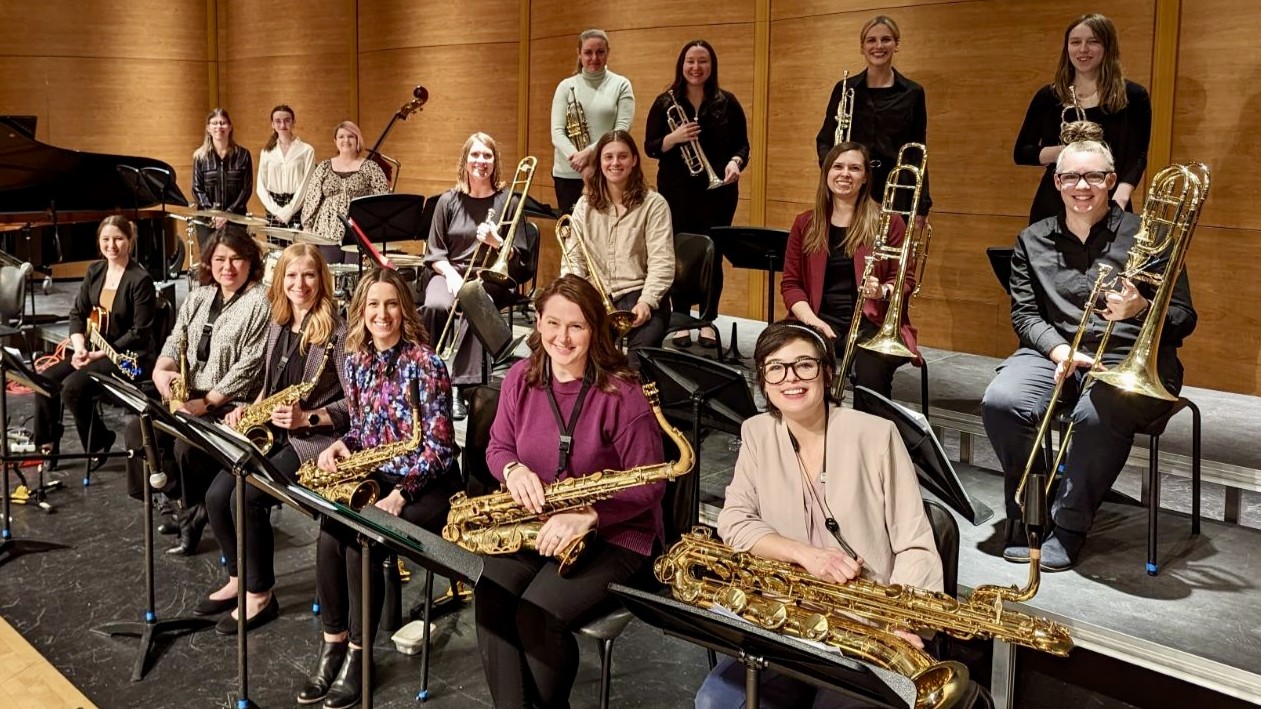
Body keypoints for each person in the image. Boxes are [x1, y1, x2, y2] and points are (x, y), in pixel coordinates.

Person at [697, 320, 942, 708]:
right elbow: (734, 521)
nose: (790, 378)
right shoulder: (757, 432)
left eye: (804, 365)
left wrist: (899, 624)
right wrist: (805, 554)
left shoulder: (877, 435)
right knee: (715, 699)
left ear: (827, 372)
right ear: (762, 379)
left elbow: (915, 546)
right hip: (784, 618)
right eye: (775, 367)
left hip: (865, 629)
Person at [981, 140, 1195, 571]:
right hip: (1055, 350)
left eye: (1094, 176)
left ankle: (1070, 526)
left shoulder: (1150, 236)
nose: (1083, 186)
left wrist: (1141, 307)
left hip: (1128, 357)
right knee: (1003, 401)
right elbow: (1024, 315)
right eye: (1072, 177)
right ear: (1057, 183)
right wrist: (1060, 349)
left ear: (1111, 180)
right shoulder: (1031, 240)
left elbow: (1184, 317)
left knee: (1095, 414)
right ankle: (1029, 516)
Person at [475, 274, 667, 708]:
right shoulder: (521, 377)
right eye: (553, 323)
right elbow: (499, 446)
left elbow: (652, 482)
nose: (562, 337)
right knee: (491, 597)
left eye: (577, 326)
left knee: (535, 616)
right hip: (538, 522)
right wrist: (512, 469)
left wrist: (590, 515)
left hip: (617, 534)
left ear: (594, 330)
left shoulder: (624, 392)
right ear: (537, 323)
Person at [297, 268, 460, 709]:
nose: (381, 314)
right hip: (382, 475)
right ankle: (333, 643)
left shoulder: (427, 364)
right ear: (361, 311)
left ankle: (359, 656)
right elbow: (364, 430)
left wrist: (401, 494)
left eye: (391, 304)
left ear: (404, 309)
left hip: (429, 484)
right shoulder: (358, 361)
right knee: (331, 532)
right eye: (373, 305)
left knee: (361, 543)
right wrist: (340, 446)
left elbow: (441, 449)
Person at [197, 244, 347, 635]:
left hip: (314, 439)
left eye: (309, 275)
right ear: (281, 281)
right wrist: (249, 410)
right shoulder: (278, 322)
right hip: (273, 430)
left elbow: (355, 404)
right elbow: (270, 384)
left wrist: (308, 417)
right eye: (292, 276)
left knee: (247, 496)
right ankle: (238, 576)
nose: (300, 284)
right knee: (216, 496)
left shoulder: (339, 332)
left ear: (322, 280)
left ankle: (261, 595)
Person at [128, 228, 271, 552]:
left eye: (237, 259)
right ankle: (184, 504)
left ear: (251, 261)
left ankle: (193, 513)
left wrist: (205, 404)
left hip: (228, 401)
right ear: (209, 262)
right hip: (186, 393)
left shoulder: (261, 301)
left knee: (185, 448)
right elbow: (175, 339)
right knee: (137, 434)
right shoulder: (200, 296)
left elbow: (250, 365)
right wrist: (161, 370)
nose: (228, 267)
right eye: (220, 259)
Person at [781, 141, 921, 413]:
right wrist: (813, 321)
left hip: (875, 323)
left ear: (865, 177)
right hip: (819, 318)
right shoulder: (805, 223)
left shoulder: (889, 222)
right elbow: (791, 284)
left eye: (855, 168)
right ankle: (805, 437)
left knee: (870, 375)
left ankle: (866, 445)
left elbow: (906, 279)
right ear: (826, 173)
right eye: (838, 166)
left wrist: (881, 291)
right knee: (793, 359)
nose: (845, 174)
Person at [644, 40, 749, 349]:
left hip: (718, 193)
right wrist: (674, 138)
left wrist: (735, 162)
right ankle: (680, 317)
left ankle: (707, 319)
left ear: (711, 65)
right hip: (676, 192)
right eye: (690, 61)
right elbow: (650, 147)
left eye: (702, 61)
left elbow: (743, 145)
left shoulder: (726, 102)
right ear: (682, 64)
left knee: (711, 256)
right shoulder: (666, 103)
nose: (696, 67)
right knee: (677, 256)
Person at [419, 132, 529, 416]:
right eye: (475, 155)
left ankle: (460, 387)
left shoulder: (510, 200)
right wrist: (452, 276)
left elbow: (520, 256)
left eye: (487, 155)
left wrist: (498, 242)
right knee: (434, 305)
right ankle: (428, 376)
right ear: (465, 161)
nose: (481, 161)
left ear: (495, 162)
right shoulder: (448, 200)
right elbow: (434, 252)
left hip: (491, 277)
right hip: (448, 272)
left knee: (474, 302)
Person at [34, 216, 155, 468]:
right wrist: (80, 348)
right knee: (45, 379)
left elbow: (139, 332)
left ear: (130, 241)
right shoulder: (95, 271)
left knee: (72, 387)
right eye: (106, 239)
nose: (112, 245)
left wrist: (98, 355)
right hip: (93, 350)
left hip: (126, 357)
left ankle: (98, 442)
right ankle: (48, 443)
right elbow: (78, 313)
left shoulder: (140, 279)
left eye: (119, 239)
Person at [1014, 13, 1151, 225]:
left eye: (1093, 42)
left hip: (1111, 201)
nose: (1083, 49)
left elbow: (1137, 156)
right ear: (1067, 48)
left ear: (1108, 47)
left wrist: (1120, 198)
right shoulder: (1049, 97)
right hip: (1055, 205)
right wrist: (1069, 150)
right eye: (1075, 42)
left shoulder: (1133, 96)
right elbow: (1022, 152)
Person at [565, 130, 674, 369]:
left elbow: (662, 263)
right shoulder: (585, 204)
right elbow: (573, 256)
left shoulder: (654, 205)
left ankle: (636, 405)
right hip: (595, 291)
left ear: (634, 160)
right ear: (600, 162)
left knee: (640, 358)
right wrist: (579, 288)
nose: (615, 163)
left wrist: (647, 302)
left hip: (639, 292)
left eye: (622, 156)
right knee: (577, 350)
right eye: (608, 157)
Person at [814, 15, 932, 225]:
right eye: (871, 40)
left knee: (886, 256)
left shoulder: (913, 93)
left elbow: (917, 151)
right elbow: (825, 140)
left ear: (896, 44)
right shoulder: (845, 89)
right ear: (862, 47)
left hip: (896, 191)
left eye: (886, 39)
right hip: (852, 190)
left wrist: (921, 204)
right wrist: (838, 173)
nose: (879, 46)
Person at [549, 28, 635, 214]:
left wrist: (588, 154)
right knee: (571, 234)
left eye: (600, 52)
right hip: (568, 174)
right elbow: (557, 133)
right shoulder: (565, 86)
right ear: (579, 54)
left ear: (608, 53)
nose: (594, 58)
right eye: (588, 52)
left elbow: (621, 130)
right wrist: (579, 162)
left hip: (608, 171)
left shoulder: (621, 84)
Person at [301, 120, 390, 263]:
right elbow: (312, 198)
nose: (346, 140)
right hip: (326, 232)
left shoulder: (371, 168)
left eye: (351, 136)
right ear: (335, 141)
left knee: (353, 277)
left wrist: (374, 237)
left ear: (358, 140)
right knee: (329, 277)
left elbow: (382, 203)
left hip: (358, 233)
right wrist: (307, 227)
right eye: (341, 136)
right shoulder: (324, 167)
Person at [192, 108, 254, 249]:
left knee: (235, 257)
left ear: (230, 127)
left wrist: (227, 215)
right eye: (214, 123)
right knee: (210, 261)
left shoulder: (243, 155)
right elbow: (197, 189)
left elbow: (246, 188)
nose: (219, 127)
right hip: (207, 220)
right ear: (208, 128)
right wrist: (213, 214)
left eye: (223, 123)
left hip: (236, 218)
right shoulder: (200, 157)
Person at [256, 104, 315, 229]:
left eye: (287, 120)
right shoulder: (266, 152)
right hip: (273, 208)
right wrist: (276, 210)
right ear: (272, 124)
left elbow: (307, 184)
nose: (282, 125)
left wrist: (289, 209)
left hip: (298, 205)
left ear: (293, 122)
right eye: (278, 121)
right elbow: (261, 187)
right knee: (275, 248)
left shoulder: (306, 150)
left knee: (296, 247)